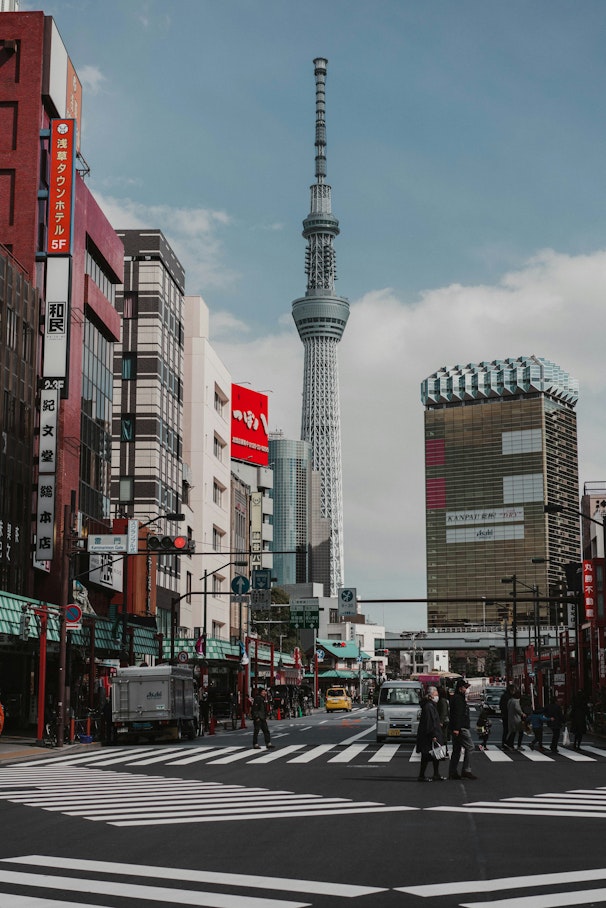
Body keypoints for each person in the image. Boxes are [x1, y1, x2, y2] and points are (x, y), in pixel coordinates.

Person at [415, 686, 446, 782]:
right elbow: (429, 722)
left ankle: (435, 774)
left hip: (431, 733)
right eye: (436, 694)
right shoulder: (429, 706)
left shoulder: (430, 705)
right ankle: (422, 775)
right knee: (426, 755)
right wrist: (433, 735)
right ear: (431, 695)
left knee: (435, 755)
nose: (437, 696)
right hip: (429, 734)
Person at [448, 678, 477, 780]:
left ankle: (453, 772)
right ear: (460, 688)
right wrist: (457, 728)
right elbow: (458, 714)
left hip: (456, 727)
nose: (466, 690)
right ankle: (466, 770)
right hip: (461, 727)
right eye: (465, 687)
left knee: (456, 750)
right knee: (470, 747)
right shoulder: (459, 699)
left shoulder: (456, 698)